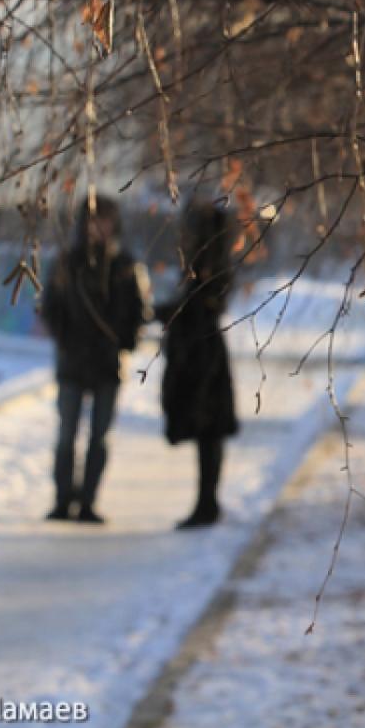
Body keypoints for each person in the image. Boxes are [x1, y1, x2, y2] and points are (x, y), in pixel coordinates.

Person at [40, 196, 145, 524]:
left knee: (99, 436)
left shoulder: (125, 265)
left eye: (105, 220)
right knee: (66, 433)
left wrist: (120, 342)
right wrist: (67, 340)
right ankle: (62, 500)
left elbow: (138, 312)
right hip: (72, 361)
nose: (98, 227)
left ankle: (87, 501)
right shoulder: (66, 263)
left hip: (107, 364)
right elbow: (50, 307)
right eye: (93, 219)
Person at [156, 200, 239, 529]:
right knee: (207, 433)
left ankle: (207, 504)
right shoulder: (205, 263)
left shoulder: (210, 264)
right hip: (200, 354)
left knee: (209, 431)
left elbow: (203, 307)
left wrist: (173, 314)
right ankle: (206, 503)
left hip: (203, 358)